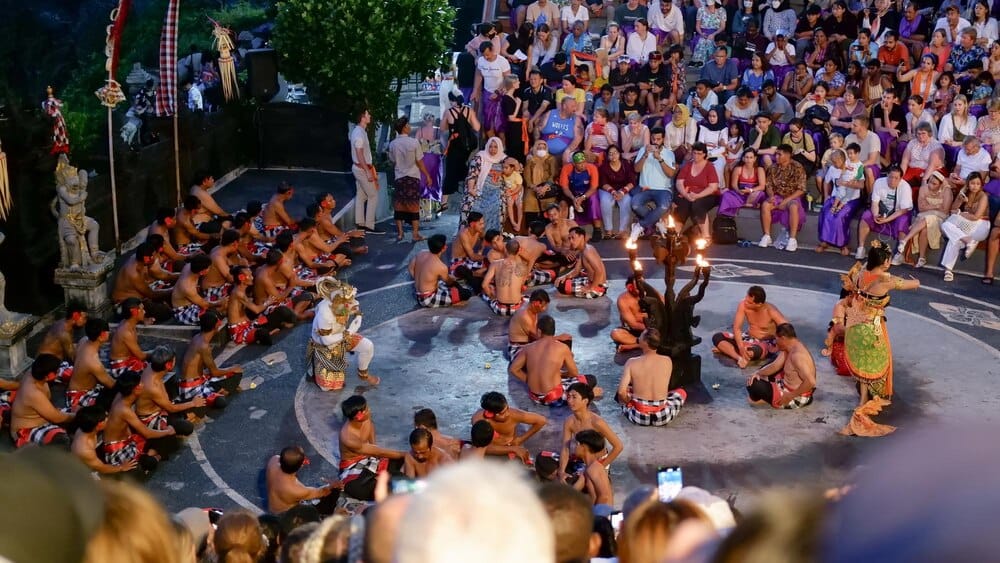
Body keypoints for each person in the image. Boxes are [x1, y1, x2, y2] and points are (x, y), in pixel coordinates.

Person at [839, 242, 920, 437]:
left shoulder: (860, 272)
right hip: (871, 328)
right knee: (876, 361)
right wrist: (916, 281)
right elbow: (910, 284)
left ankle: (863, 398)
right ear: (884, 262)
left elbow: (869, 264)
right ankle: (870, 398)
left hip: (855, 324)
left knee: (862, 361)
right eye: (888, 259)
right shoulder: (885, 279)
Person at [510, 315, 599, 406]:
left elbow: (513, 369)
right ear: (553, 331)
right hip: (554, 398)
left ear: (539, 331)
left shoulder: (528, 348)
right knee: (590, 379)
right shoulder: (562, 348)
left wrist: (528, 380)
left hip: (534, 396)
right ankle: (590, 395)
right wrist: (562, 375)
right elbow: (574, 373)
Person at [308, 276, 378, 390]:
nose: (355, 302)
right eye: (349, 301)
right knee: (331, 387)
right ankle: (316, 370)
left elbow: (354, 311)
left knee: (368, 346)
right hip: (327, 345)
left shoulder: (341, 305)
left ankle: (363, 374)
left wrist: (358, 316)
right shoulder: (325, 314)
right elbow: (326, 340)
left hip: (342, 335)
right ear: (339, 303)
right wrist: (349, 332)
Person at [102, 372, 174, 472]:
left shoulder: (121, 395)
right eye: (140, 383)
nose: (143, 385)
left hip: (127, 441)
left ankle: (153, 453)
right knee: (152, 458)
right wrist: (168, 431)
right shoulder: (124, 410)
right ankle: (155, 456)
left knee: (160, 433)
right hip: (118, 452)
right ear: (135, 389)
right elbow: (147, 434)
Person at [338, 395, 405, 501]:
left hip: (370, 457)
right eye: (367, 409)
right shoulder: (348, 438)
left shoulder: (366, 417)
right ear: (358, 416)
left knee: (405, 461)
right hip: (353, 468)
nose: (369, 410)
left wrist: (374, 447)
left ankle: (388, 477)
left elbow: (371, 429)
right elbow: (380, 452)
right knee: (377, 489)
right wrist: (406, 454)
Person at [616, 328, 686, 425]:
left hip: (638, 416)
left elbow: (621, 392)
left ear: (645, 342)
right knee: (681, 392)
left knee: (626, 391)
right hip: (662, 416)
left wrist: (628, 400)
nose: (638, 338)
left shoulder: (631, 362)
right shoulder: (667, 360)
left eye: (640, 336)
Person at [140, 344, 216, 432]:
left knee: (201, 401)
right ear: (168, 365)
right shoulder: (153, 386)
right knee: (187, 427)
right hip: (153, 418)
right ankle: (186, 419)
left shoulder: (153, 367)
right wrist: (193, 403)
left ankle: (188, 416)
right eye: (174, 360)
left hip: (164, 406)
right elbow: (171, 408)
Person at [559, 382, 623, 481]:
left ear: (585, 401)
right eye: (568, 396)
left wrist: (601, 467)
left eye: (574, 397)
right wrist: (561, 471)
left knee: (585, 484)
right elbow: (565, 448)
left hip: (598, 462)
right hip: (581, 460)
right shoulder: (569, 421)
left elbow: (618, 446)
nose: (570, 400)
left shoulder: (597, 422)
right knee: (548, 465)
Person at [712, 285, 788, 368]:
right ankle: (739, 358)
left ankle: (728, 350)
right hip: (748, 337)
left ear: (759, 304)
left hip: (764, 342)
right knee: (717, 337)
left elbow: (786, 329)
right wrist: (741, 347)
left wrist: (778, 346)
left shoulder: (771, 311)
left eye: (749, 302)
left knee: (753, 352)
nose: (745, 302)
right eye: (746, 298)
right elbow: (737, 328)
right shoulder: (743, 305)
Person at [746, 323, 817, 409]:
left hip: (796, 396)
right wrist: (757, 373)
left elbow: (811, 382)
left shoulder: (798, 356)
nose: (775, 342)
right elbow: (775, 366)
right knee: (756, 376)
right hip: (785, 385)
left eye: (776, 339)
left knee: (753, 384)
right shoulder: (788, 347)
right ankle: (765, 396)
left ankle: (761, 399)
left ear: (783, 338)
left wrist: (791, 396)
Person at [9, 355, 73, 448]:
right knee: (62, 441)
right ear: (49, 376)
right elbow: (56, 418)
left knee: (78, 412)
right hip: (25, 431)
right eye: (57, 371)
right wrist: (77, 415)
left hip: (44, 419)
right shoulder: (33, 392)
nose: (59, 372)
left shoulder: (34, 373)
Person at [895, 170, 954, 268]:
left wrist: (929, 206)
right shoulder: (923, 189)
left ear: (940, 185)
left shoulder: (947, 191)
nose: (930, 185)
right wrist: (936, 206)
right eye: (930, 182)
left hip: (940, 218)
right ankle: (922, 258)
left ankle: (905, 240)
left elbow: (945, 210)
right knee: (925, 228)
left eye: (934, 184)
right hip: (923, 216)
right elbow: (921, 208)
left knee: (928, 218)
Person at [940, 172, 992, 281]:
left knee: (948, 224)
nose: (975, 186)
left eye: (978, 184)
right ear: (968, 184)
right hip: (968, 225)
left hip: (980, 226)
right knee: (954, 238)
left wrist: (960, 214)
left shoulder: (984, 196)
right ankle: (948, 271)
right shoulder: (965, 193)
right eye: (972, 183)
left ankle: (969, 240)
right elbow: (952, 210)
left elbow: (976, 216)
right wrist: (959, 200)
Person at [227, 266, 297, 345]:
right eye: (249, 276)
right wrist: (268, 302)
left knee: (281, 311)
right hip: (240, 333)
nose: (252, 278)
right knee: (263, 333)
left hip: (249, 325)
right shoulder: (238, 293)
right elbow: (256, 310)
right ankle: (270, 332)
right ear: (241, 278)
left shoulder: (241, 290)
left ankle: (270, 331)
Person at [388, 116, 432, 242]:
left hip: (399, 177)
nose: (410, 127)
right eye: (408, 125)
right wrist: (427, 175)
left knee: (399, 205)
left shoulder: (393, 144)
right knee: (414, 206)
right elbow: (419, 162)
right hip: (413, 178)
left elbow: (392, 161)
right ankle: (415, 234)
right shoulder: (414, 143)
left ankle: (400, 233)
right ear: (404, 128)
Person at [856, 166, 914, 261]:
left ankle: (900, 254)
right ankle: (861, 248)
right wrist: (875, 215)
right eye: (890, 177)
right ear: (887, 175)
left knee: (903, 220)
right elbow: (874, 203)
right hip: (882, 211)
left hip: (898, 212)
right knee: (866, 216)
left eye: (896, 178)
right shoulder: (879, 182)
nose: (892, 180)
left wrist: (887, 220)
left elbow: (903, 210)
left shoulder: (905, 187)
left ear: (900, 179)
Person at [757, 144, 807, 251]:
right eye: (776, 154)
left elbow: (801, 189)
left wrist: (787, 200)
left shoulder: (798, 167)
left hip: (791, 197)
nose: (776, 157)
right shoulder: (773, 167)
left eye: (779, 154)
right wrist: (771, 196)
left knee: (793, 206)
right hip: (777, 196)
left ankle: (792, 239)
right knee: (765, 205)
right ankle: (767, 235)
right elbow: (769, 185)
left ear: (788, 155)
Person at [266, 446, 341, 515]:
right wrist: (332, 485)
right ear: (301, 465)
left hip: (272, 508)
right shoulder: (298, 490)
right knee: (334, 492)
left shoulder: (273, 460)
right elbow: (322, 492)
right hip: (284, 517)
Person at [817, 147, 865, 255]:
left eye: (834, 162)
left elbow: (861, 185)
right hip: (835, 197)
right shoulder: (832, 168)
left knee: (840, 216)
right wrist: (826, 196)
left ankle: (843, 244)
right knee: (827, 212)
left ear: (841, 160)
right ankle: (825, 241)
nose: (833, 164)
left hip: (851, 199)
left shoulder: (854, 167)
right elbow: (826, 181)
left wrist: (847, 183)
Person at [471, 391, 545, 460]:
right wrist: (513, 449)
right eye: (503, 413)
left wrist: (521, 439)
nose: (507, 414)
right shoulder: (479, 419)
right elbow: (480, 446)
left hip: (510, 446)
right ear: (490, 414)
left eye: (507, 409)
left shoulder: (514, 414)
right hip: (492, 451)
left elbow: (541, 421)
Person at [631, 127, 677, 233]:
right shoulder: (643, 150)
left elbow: (670, 174)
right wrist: (645, 156)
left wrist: (660, 159)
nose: (655, 141)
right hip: (645, 188)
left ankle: (640, 226)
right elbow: (636, 169)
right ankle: (658, 221)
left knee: (664, 206)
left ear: (663, 139)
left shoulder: (669, 154)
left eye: (658, 139)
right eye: (653, 139)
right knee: (635, 204)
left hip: (663, 189)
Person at [441, 90, 482, 206]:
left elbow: (443, 129)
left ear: (452, 100)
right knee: (467, 171)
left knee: (450, 173)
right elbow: (477, 127)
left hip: (455, 146)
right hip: (468, 147)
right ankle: (470, 197)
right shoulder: (469, 110)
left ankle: (444, 203)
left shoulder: (448, 112)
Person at [673, 142, 721, 241]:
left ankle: (705, 235)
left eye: (699, 153)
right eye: (694, 153)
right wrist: (686, 195)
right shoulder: (688, 166)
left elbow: (713, 187)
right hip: (689, 194)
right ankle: (675, 234)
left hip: (707, 195)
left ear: (704, 154)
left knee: (698, 205)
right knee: (683, 205)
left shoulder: (709, 167)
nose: (696, 156)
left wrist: (697, 195)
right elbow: (679, 183)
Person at [409, 234, 473, 308]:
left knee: (443, 283)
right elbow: (449, 282)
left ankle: (446, 297)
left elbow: (410, 268)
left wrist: (419, 280)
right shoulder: (440, 266)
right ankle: (452, 303)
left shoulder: (421, 253)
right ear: (444, 248)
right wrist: (456, 284)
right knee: (466, 293)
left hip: (418, 293)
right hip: (428, 299)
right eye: (445, 244)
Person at [65, 318, 115, 411]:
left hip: (74, 390)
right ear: (102, 335)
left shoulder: (83, 340)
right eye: (108, 331)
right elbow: (112, 385)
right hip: (79, 397)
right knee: (116, 398)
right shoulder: (93, 361)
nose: (109, 333)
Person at [71, 406, 138, 474]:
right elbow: (102, 468)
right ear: (99, 425)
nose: (108, 419)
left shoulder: (85, 426)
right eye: (106, 419)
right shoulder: (85, 450)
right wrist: (121, 467)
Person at [464, 136, 508, 232]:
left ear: (500, 147)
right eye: (490, 146)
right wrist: (471, 189)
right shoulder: (480, 156)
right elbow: (472, 174)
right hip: (480, 190)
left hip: (496, 191)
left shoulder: (504, 159)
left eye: (495, 147)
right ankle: (471, 233)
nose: (492, 149)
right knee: (470, 204)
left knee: (498, 205)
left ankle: (492, 234)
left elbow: (516, 168)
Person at [350, 108, 384, 234]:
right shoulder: (359, 133)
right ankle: (370, 225)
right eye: (368, 114)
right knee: (373, 195)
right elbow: (359, 153)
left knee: (361, 195)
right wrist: (367, 171)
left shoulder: (359, 131)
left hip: (359, 167)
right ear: (362, 117)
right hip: (362, 168)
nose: (370, 116)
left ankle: (360, 223)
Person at [35, 300, 86, 382]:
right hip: (47, 368)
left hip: (46, 361)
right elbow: (73, 357)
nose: (84, 321)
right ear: (76, 316)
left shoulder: (64, 322)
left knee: (84, 344)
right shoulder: (63, 332)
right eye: (84, 318)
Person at [170, 254, 226, 325]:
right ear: (202, 272)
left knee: (221, 294)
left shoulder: (189, 266)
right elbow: (204, 305)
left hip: (194, 301)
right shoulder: (187, 287)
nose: (210, 268)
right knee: (211, 317)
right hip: (184, 311)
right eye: (209, 268)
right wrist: (219, 303)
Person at [556, 226, 609, 298]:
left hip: (598, 287)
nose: (571, 241)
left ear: (581, 237)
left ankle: (593, 289)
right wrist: (564, 277)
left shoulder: (588, 250)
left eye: (573, 238)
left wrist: (591, 288)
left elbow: (599, 271)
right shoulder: (583, 250)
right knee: (561, 282)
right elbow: (576, 271)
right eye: (569, 238)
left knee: (562, 286)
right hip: (591, 282)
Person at [474, 42, 512, 139]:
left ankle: (502, 145)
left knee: (499, 122)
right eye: (484, 55)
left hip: (501, 93)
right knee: (487, 121)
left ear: (492, 50)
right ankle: (491, 142)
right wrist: (475, 90)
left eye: (488, 54)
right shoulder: (481, 61)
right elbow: (479, 75)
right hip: (487, 93)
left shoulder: (502, 61)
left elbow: (508, 79)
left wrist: (497, 92)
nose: (486, 57)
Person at [482, 239, 530, 316]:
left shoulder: (495, 264)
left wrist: (493, 297)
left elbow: (484, 285)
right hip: (517, 309)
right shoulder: (522, 267)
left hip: (500, 309)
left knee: (484, 294)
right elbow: (522, 286)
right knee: (527, 297)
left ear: (505, 250)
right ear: (518, 252)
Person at [108, 298, 150, 379]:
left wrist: (144, 319)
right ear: (134, 312)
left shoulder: (128, 322)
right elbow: (141, 356)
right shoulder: (126, 332)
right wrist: (155, 353)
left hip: (129, 359)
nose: (144, 312)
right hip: (120, 368)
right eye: (141, 310)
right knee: (154, 368)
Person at [574, 430, 614, 506]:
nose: (575, 447)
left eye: (577, 444)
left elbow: (604, 496)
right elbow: (574, 490)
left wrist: (596, 515)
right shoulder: (588, 468)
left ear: (583, 447)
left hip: (602, 514)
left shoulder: (594, 469)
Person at [610, 276, 647, 353]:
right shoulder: (623, 300)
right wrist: (650, 328)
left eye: (643, 285)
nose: (642, 289)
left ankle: (636, 345)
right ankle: (646, 344)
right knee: (615, 333)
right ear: (630, 287)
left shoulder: (651, 293)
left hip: (653, 329)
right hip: (636, 331)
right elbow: (634, 325)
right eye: (638, 287)